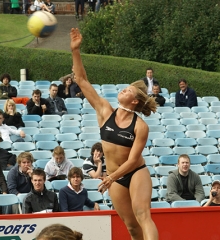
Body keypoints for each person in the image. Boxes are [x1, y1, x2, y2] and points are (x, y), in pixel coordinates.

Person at [70, 28, 158, 239]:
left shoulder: (140, 126)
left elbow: (133, 160)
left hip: (135, 172)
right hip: (115, 178)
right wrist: (75, 50)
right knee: (131, 227)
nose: (123, 90)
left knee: (142, 214)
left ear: (135, 101)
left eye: (128, 91)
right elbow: (81, 80)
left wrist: (111, 178)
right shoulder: (104, 111)